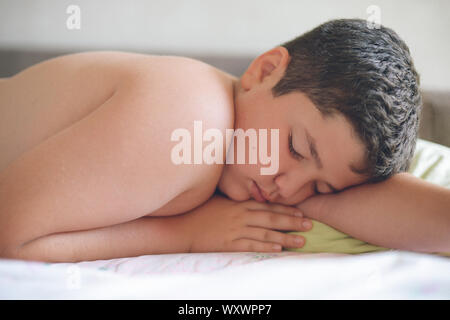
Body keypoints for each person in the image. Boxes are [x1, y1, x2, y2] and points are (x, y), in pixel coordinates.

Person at [0, 19, 448, 262]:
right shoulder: (192, 119)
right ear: (266, 71)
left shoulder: (248, 154)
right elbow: (10, 233)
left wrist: (318, 183)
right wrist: (186, 234)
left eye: (320, 187)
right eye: (295, 147)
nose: (287, 190)